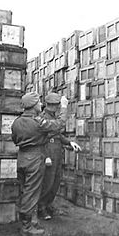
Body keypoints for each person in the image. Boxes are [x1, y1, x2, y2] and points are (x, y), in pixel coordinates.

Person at [11, 92, 68, 235]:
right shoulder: (38, 122)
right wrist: (65, 108)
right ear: (33, 105)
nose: (40, 105)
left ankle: (32, 222)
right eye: (38, 103)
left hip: (22, 157)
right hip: (35, 158)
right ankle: (27, 226)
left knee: (26, 190)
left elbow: (14, 139)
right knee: (32, 192)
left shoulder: (16, 122)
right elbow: (59, 124)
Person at [38, 92, 81, 220]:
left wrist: (69, 142)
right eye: (56, 105)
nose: (57, 107)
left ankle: (48, 204)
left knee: (55, 182)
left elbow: (57, 134)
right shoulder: (43, 117)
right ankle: (41, 208)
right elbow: (41, 139)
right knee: (47, 182)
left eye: (58, 105)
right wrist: (46, 156)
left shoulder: (52, 116)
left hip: (56, 152)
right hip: (48, 153)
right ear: (50, 105)